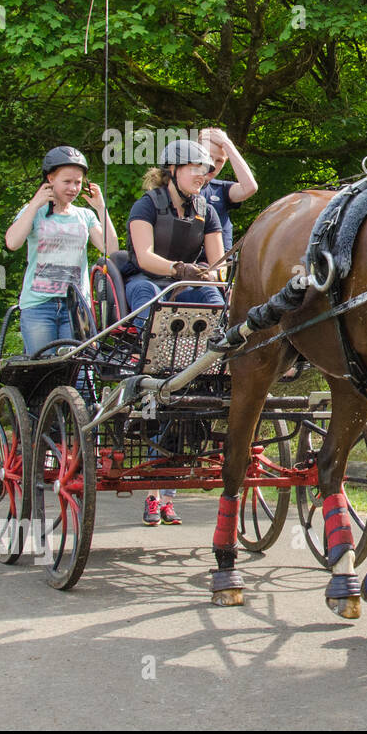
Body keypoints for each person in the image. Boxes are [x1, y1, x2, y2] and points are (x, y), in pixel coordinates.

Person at [123, 138, 225, 527]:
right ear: (173, 171)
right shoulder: (146, 205)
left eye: (206, 170)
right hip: (147, 280)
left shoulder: (208, 211)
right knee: (152, 299)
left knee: (216, 301)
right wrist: (180, 268)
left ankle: (212, 359)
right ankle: (151, 355)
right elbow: (145, 256)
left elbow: (219, 266)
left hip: (188, 281)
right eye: (196, 169)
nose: (204, 175)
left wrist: (208, 274)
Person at [4, 146, 117, 358]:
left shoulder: (85, 216)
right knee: (43, 370)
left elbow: (111, 249)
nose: (73, 188)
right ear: (50, 179)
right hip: (39, 306)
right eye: (67, 181)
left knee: (80, 370)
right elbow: (12, 242)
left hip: (75, 307)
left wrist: (101, 208)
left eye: (78, 182)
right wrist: (35, 203)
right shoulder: (34, 213)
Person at [197, 128, 258, 251]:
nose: (212, 165)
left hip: (221, 265)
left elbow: (250, 188)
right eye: (207, 156)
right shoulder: (176, 187)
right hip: (186, 265)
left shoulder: (221, 189)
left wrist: (227, 145)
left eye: (219, 160)